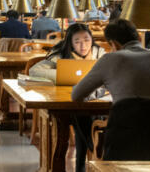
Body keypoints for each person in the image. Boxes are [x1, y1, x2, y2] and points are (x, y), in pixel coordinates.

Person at [29, 23, 106, 172]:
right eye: (77, 41)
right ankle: (95, 152)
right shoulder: (60, 54)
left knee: (82, 115)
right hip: (69, 103)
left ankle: (85, 162)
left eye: (86, 40)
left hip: (96, 103)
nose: (83, 45)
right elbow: (34, 70)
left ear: (92, 39)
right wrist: (65, 76)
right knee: (81, 115)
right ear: (70, 42)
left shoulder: (100, 54)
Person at [72, 19, 150, 103]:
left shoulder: (109, 60)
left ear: (114, 44)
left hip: (126, 128)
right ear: (139, 38)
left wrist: (104, 87)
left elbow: (76, 95)